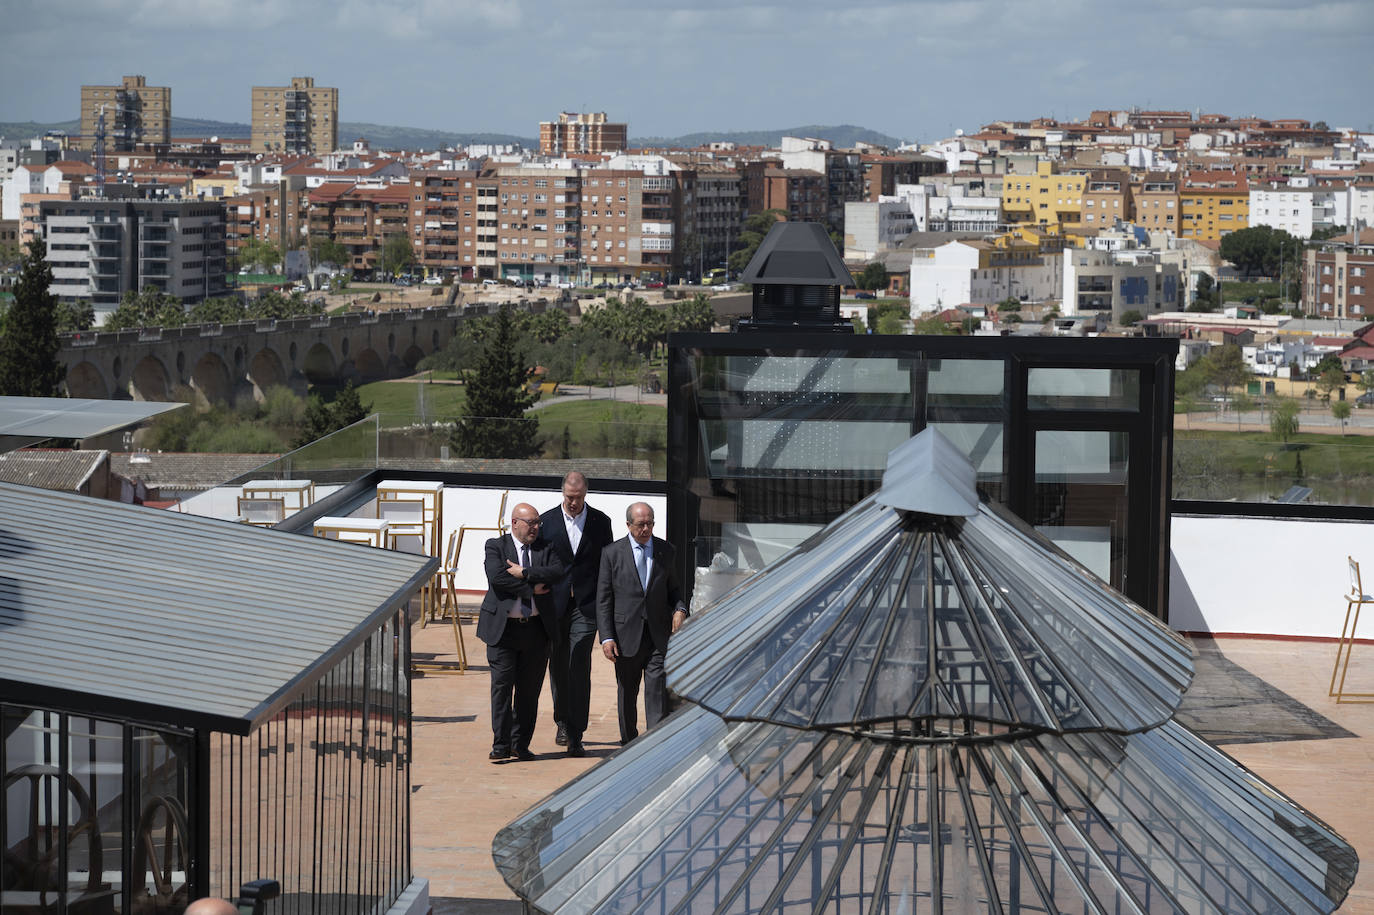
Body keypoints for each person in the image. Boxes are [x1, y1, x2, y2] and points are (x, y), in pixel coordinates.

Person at [477, 502, 565, 761]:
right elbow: (497, 577)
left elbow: (557, 572)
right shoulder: (496, 545)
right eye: (531, 523)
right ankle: (501, 745)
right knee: (502, 689)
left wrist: (524, 572)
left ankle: (520, 744)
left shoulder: (545, 547)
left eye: (538, 522)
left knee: (529, 693)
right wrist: (531, 589)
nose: (536, 528)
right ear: (515, 523)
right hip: (503, 631)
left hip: (536, 631)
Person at [597, 501, 688, 745]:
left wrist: (680, 608)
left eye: (650, 523)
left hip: (657, 635)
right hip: (625, 636)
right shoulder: (611, 554)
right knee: (627, 693)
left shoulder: (665, 551)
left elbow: (674, 590)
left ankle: (654, 745)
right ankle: (628, 743)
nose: (646, 529)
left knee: (656, 691)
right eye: (641, 524)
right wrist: (607, 637)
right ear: (628, 525)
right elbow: (603, 600)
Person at [541, 471, 614, 758]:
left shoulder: (600, 522)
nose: (574, 503)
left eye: (579, 497)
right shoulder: (546, 522)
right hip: (554, 606)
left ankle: (576, 731)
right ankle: (562, 721)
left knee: (578, 662)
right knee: (558, 664)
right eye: (570, 497)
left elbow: (606, 564)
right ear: (563, 494)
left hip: (586, 604)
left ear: (586, 494)